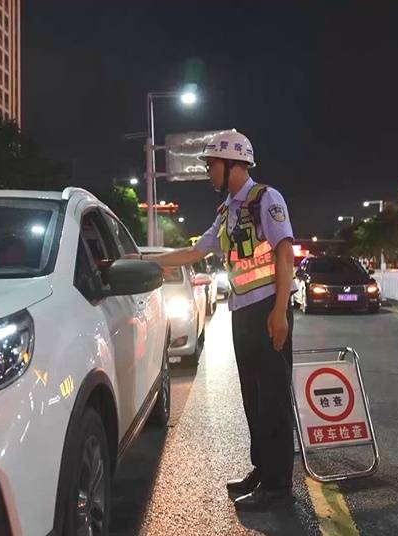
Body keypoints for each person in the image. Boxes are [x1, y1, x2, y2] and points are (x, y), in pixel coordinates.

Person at [137, 130, 298, 511]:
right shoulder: (227, 212)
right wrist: (146, 261)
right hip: (242, 313)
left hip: (267, 310)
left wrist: (279, 312)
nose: (208, 171)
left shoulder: (266, 199)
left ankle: (278, 487)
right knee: (253, 398)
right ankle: (263, 469)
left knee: (273, 399)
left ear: (234, 164)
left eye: (212, 165)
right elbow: (195, 252)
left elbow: (285, 254)